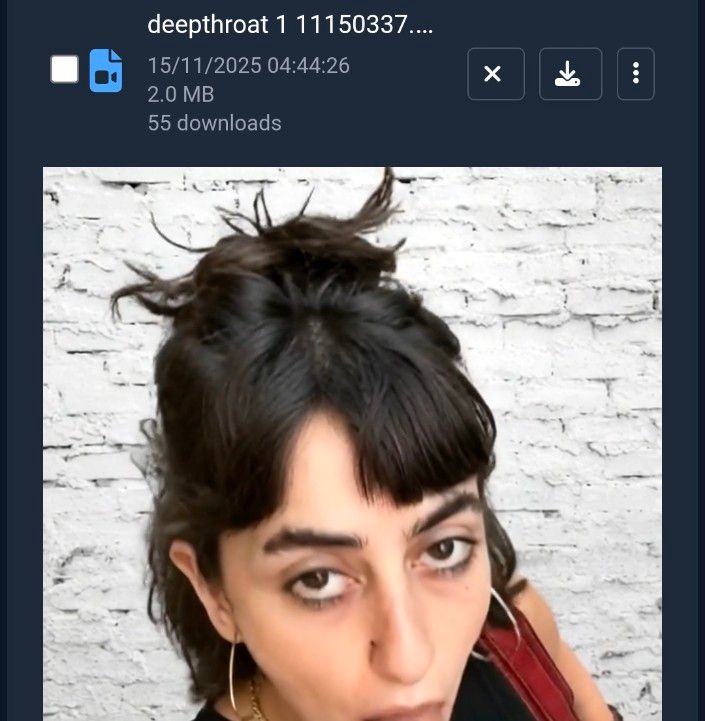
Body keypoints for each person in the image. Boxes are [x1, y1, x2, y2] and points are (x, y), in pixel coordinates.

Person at [111, 168, 623, 721]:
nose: (409, 658)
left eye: (444, 550)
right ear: (215, 593)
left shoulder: (511, 636)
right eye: (318, 580)